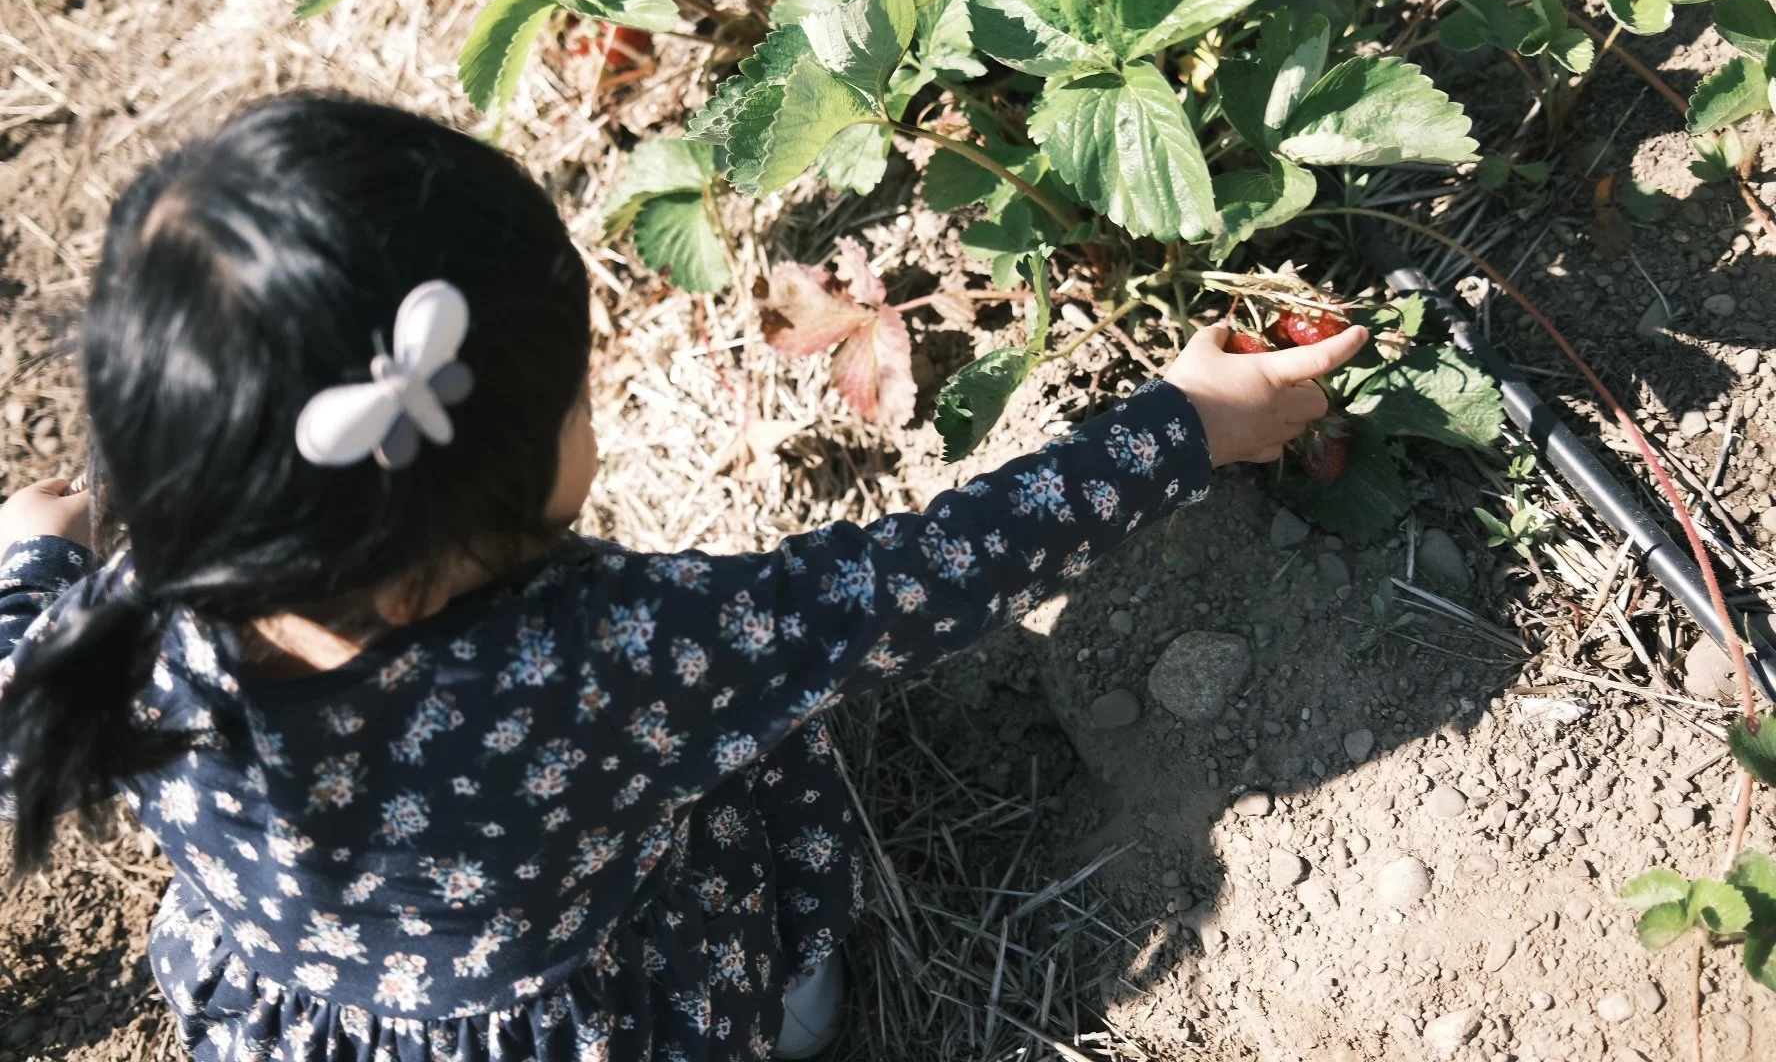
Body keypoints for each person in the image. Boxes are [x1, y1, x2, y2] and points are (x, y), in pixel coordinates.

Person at [0, 93, 1365, 1062]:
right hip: (609, 1014)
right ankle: (794, 1005)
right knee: (757, 781)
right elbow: (912, 583)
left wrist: (29, 551)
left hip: (312, 1027)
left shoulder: (115, 631)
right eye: (578, 391)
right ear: (473, 491)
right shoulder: (606, 658)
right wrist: (1181, 426)